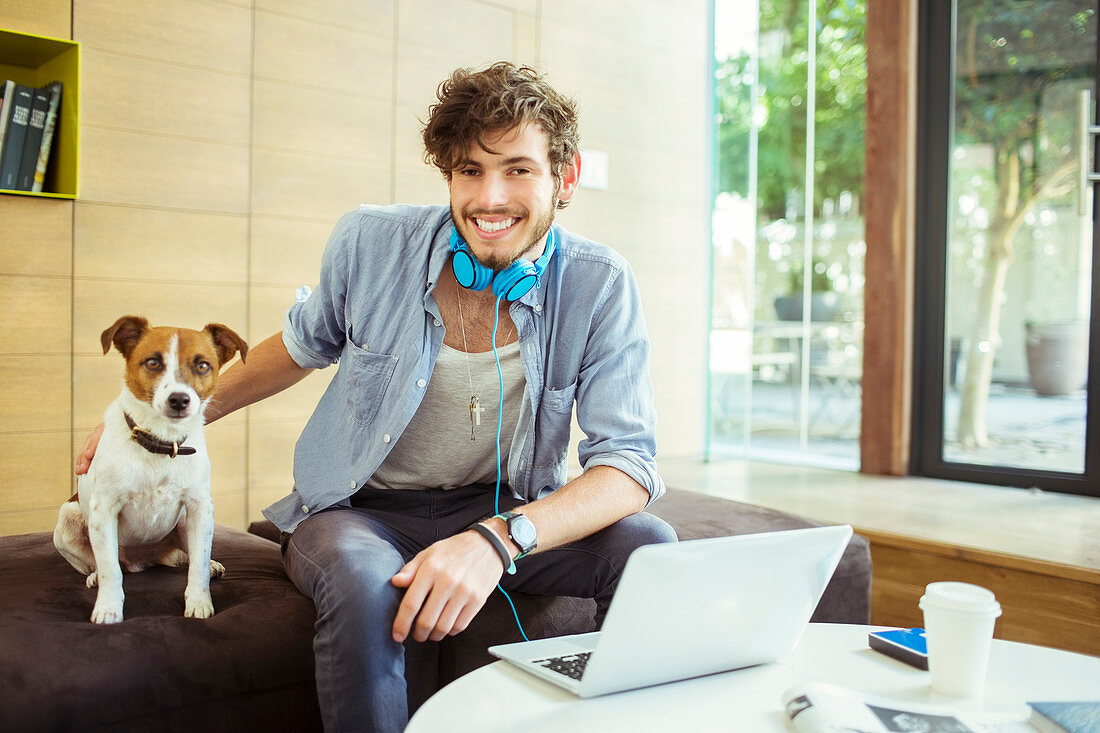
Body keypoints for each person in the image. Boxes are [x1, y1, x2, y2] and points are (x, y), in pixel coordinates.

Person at [76, 61, 675, 732]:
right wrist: (153, 425)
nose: (490, 196)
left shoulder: (600, 286)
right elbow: (295, 348)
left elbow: (628, 465)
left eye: (518, 169)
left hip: (502, 508)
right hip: (361, 510)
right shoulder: (370, 243)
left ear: (564, 180)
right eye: (469, 171)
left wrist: (499, 539)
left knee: (649, 544)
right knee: (364, 587)